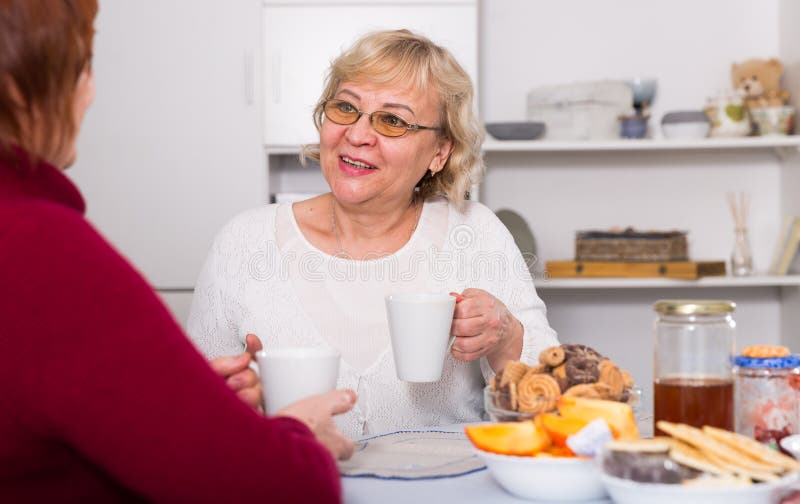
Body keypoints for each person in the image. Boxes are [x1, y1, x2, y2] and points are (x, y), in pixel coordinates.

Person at [0, 1, 354, 501]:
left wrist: (158, 400)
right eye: (82, 67)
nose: (92, 91)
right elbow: (280, 487)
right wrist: (297, 432)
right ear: (19, 86)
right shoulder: (43, 250)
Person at [187, 29, 559, 438]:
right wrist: (235, 405)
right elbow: (194, 414)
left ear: (440, 152)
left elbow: (556, 409)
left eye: (393, 121)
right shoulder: (245, 240)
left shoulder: (475, 232)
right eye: (346, 108)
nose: (359, 134)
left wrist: (506, 337)